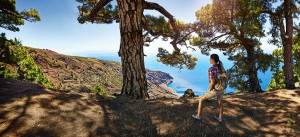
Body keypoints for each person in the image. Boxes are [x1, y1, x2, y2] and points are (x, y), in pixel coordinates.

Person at [192, 54, 225, 124]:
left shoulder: (212, 69)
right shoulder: (220, 67)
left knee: (201, 99)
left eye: (210, 59)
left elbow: (212, 82)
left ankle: (198, 116)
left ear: (212, 60)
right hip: (222, 88)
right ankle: (220, 118)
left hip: (216, 89)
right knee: (220, 103)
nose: (209, 60)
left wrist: (208, 91)